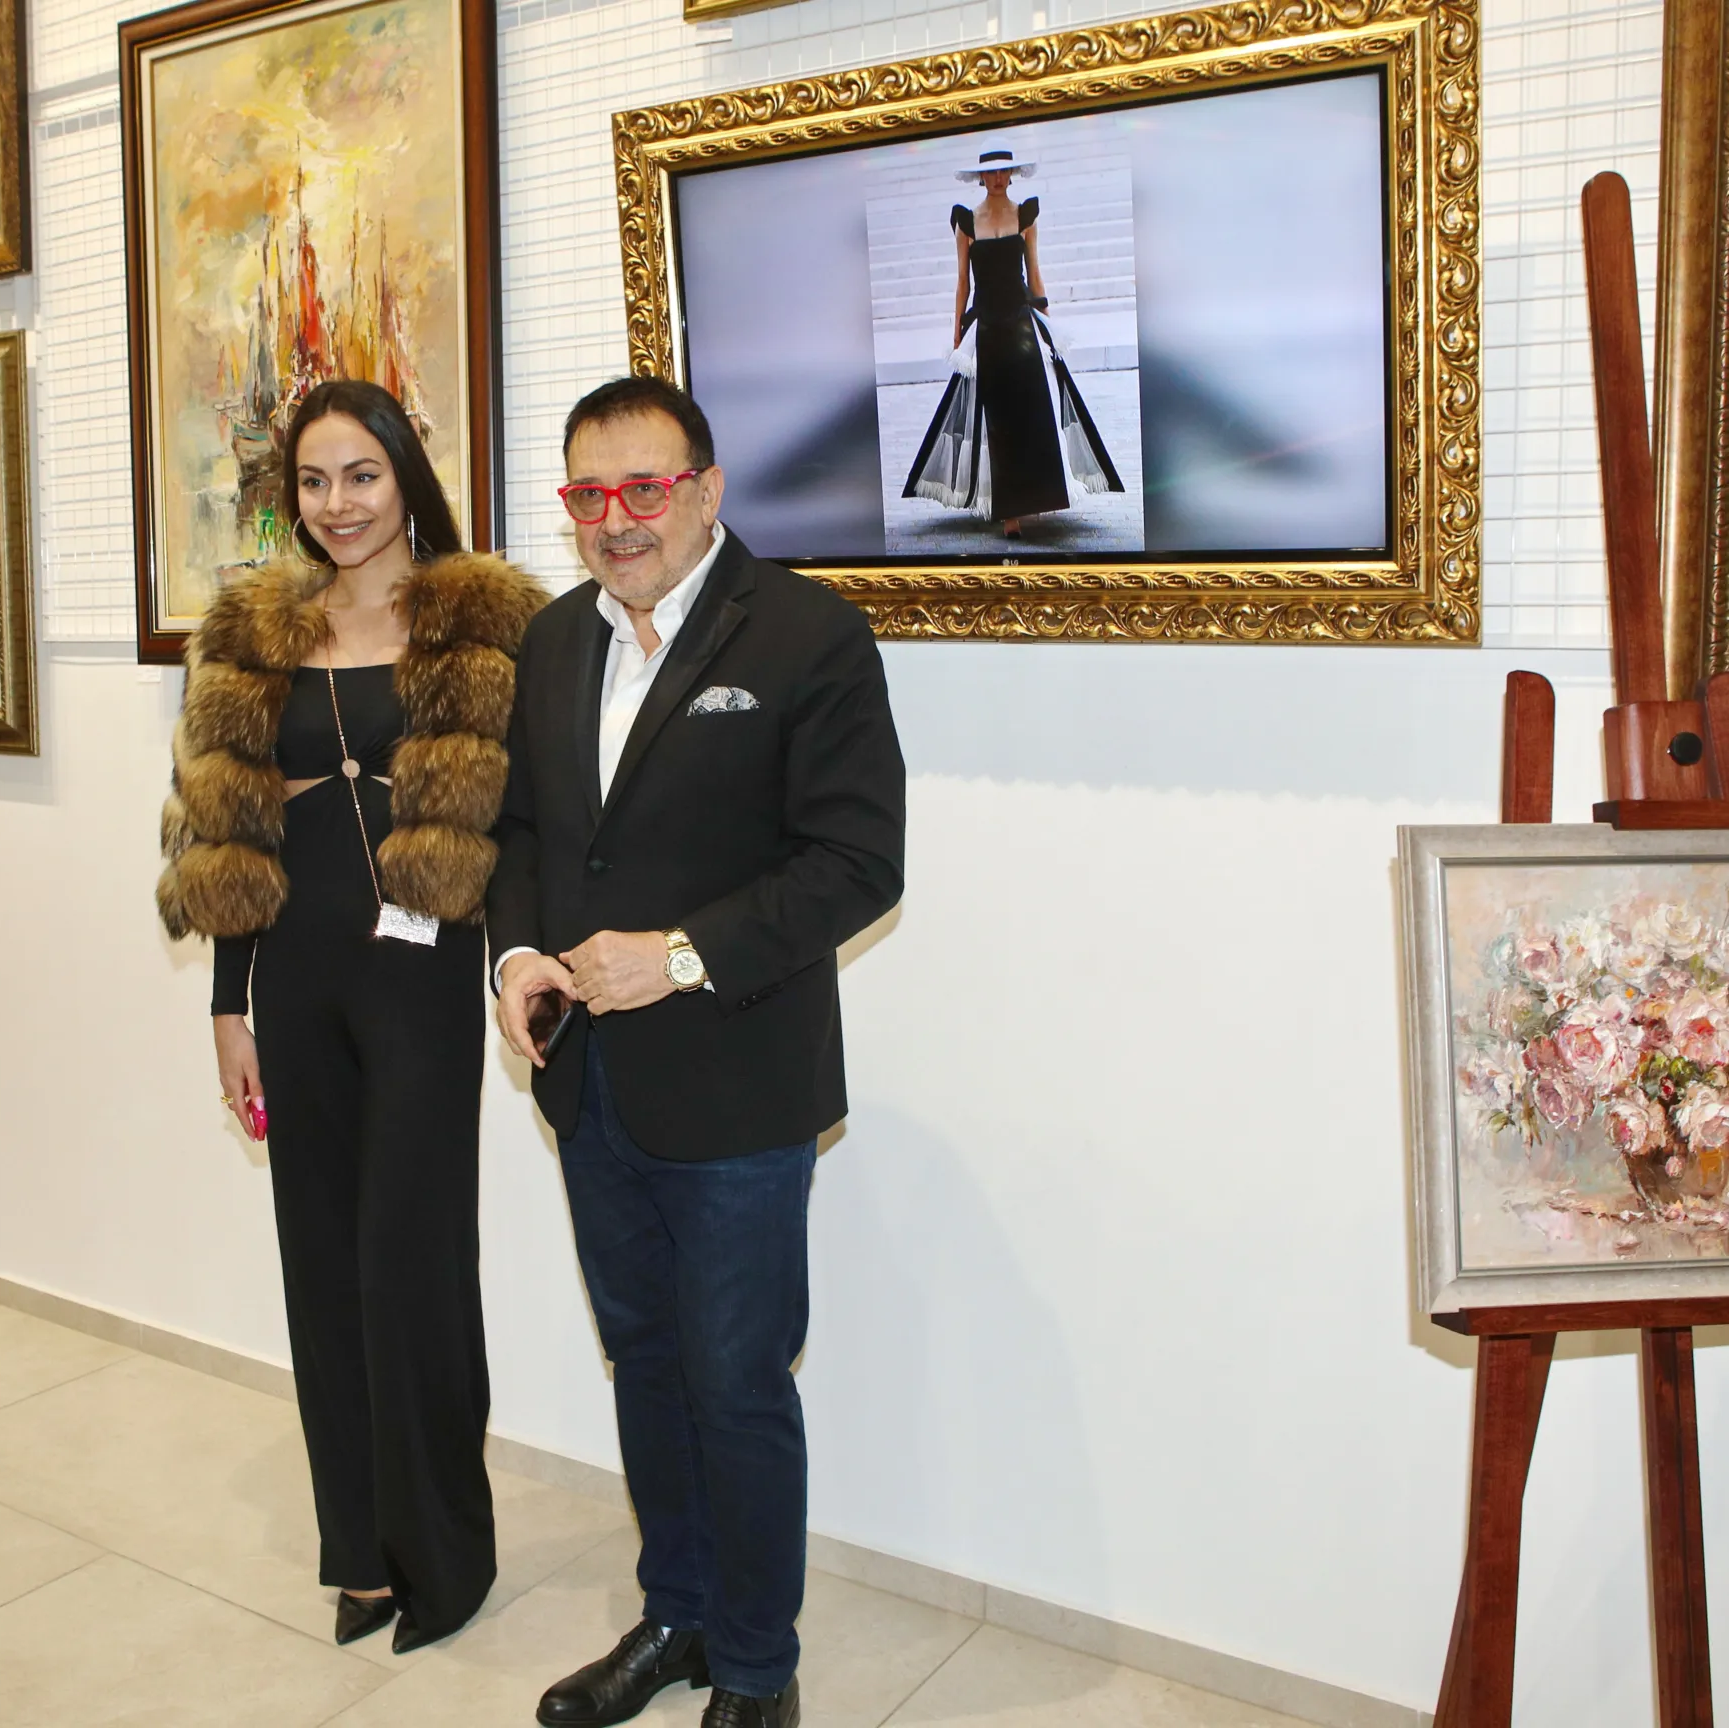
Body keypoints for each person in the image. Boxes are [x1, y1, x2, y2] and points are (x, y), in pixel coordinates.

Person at [489, 377, 907, 1728]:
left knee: (735, 1385)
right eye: (588, 494)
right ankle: (672, 1616)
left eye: (646, 488)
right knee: (647, 1363)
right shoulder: (553, 640)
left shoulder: (808, 634)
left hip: (737, 1089)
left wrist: (672, 956)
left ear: (708, 490)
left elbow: (857, 863)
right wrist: (517, 957)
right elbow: (526, 837)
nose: (617, 519)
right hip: (588, 1085)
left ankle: (757, 1668)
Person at [155, 379, 545, 1654]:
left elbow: (532, 820)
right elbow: (224, 834)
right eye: (314, 482)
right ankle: (360, 1552)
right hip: (294, 977)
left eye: (361, 476)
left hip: (420, 982)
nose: (338, 505)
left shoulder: (486, 624)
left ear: (405, 477)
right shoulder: (249, 633)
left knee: (412, 1266)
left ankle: (445, 1553)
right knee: (321, 1268)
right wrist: (230, 1007)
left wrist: (524, 962)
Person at [901, 144, 1123, 535]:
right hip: (988, 325)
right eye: (992, 173)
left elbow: (1034, 272)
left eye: (1005, 172)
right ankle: (1011, 514)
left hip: (1022, 323)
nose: (999, 179)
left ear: (1012, 175)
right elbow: (962, 281)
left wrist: (1050, 327)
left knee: (1033, 410)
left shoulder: (1025, 214)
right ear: (981, 178)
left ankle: (1036, 495)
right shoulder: (967, 220)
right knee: (999, 416)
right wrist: (957, 332)